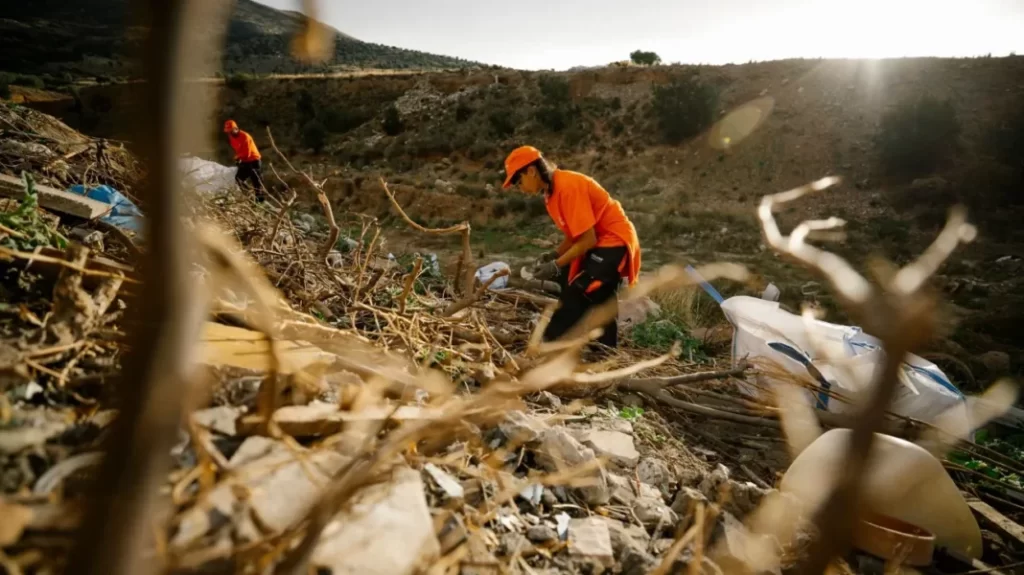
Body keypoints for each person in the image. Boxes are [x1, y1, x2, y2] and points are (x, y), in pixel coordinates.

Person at [503, 145, 641, 350]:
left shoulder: (568, 187)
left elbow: (588, 239)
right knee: (599, 296)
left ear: (531, 171)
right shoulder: (551, 196)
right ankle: (605, 351)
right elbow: (574, 233)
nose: (519, 187)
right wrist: (555, 255)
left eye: (518, 181)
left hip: (613, 240)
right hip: (599, 242)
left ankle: (547, 345)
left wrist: (556, 265)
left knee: (579, 292)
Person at [223, 119, 266, 201]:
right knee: (239, 179)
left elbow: (247, 153)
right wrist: (238, 158)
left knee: (257, 184)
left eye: (231, 131)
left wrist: (238, 158)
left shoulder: (245, 136)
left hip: (254, 161)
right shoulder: (231, 137)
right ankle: (249, 198)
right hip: (245, 161)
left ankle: (260, 203)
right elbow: (238, 150)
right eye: (228, 131)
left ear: (236, 128)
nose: (230, 133)